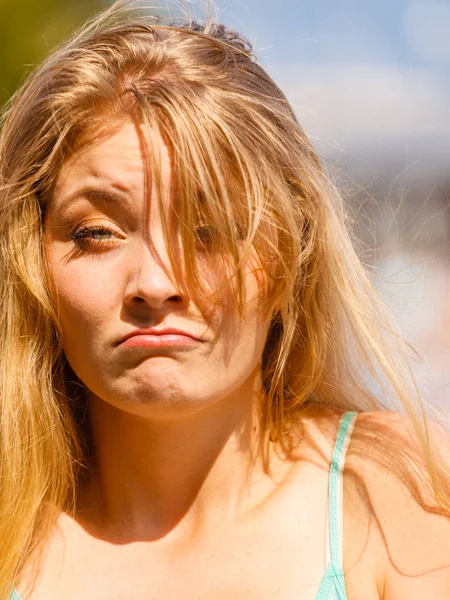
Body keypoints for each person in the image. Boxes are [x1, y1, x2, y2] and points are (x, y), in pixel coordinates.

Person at [1, 1, 450, 598]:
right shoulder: (14, 530)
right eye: (97, 233)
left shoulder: (396, 487)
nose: (156, 284)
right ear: (31, 265)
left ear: (293, 257)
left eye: (210, 232)